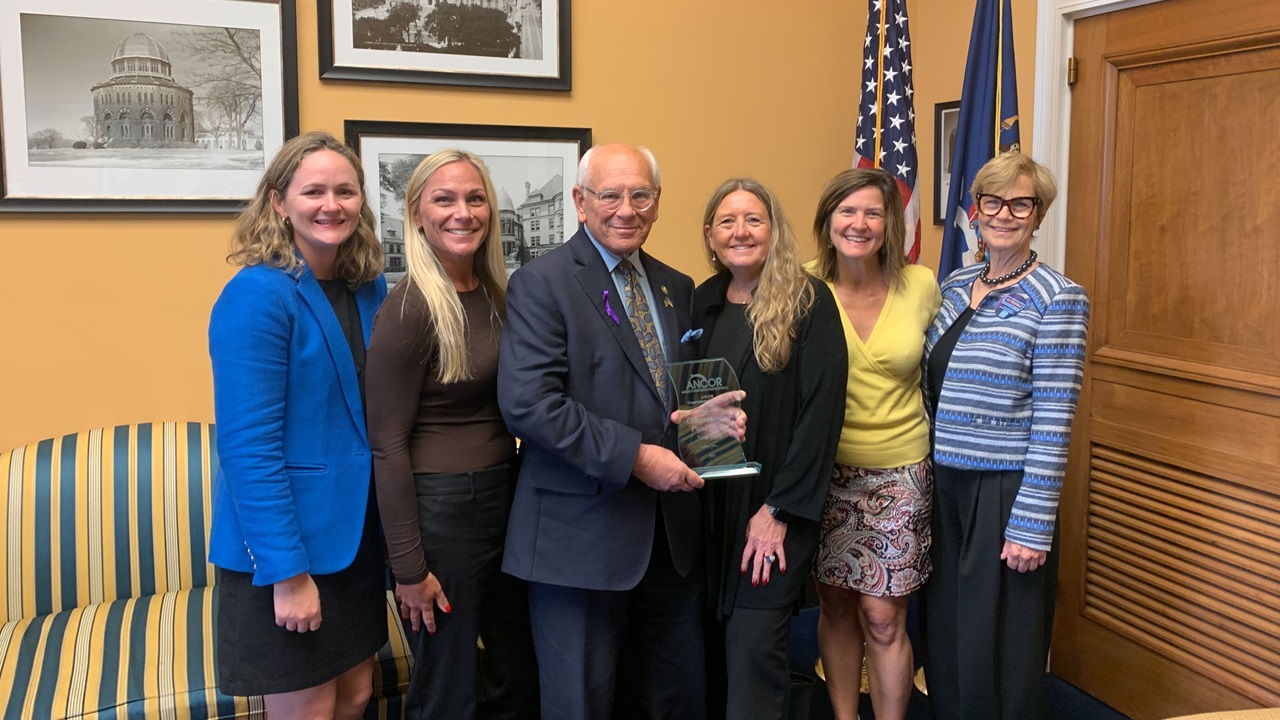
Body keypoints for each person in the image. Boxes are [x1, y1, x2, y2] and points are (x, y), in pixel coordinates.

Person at [497, 143, 708, 720]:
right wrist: (637, 457)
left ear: (658, 203)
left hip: (670, 539)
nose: (625, 209)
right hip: (578, 537)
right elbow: (530, 405)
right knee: (581, 704)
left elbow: (674, 393)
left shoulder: (676, 285)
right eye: (609, 195)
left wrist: (712, 422)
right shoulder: (542, 283)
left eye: (640, 195)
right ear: (580, 203)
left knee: (675, 700)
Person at [207, 131, 388, 720]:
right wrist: (286, 574)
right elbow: (247, 449)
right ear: (279, 202)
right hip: (287, 554)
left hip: (353, 544)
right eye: (313, 191)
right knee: (309, 709)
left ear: (361, 201)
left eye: (345, 190)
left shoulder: (368, 288)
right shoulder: (256, 295)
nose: (330, 204)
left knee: (357, 696)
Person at [366, 149, 538, 719]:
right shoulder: (409, 307)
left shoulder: (497, 294)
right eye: (444, 199)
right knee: (448, 688)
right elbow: (386, 445)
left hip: (506, 495)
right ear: (417, 214)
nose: (462, 212)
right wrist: (410, 569)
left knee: (517, 673)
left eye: (474, 197)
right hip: (443, 512)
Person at [920, 152, 1089, 720]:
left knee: (997, 644)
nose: (1004, 213)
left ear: (1037, 215)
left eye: (1021, 203)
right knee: (946, 628)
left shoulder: (1058, 296)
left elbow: (1055, 416)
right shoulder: (956, 284)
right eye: (993, 201)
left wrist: (1033, 524)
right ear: (976, 209)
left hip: (1005, 491)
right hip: (944, 486)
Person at [691, 178, 846, 720]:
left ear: (774, 229)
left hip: (772, 514)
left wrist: (777, 511)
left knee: (755, 658)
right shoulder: (701, 302)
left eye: (753, 219)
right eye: (727, 221)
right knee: (708, 660)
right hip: (707, 510)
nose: (740, 231)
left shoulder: (808, 301)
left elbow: (821, 417)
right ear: (710, 235)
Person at [809, 168, 941, 720]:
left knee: (884, 617)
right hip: (824, 473)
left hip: (900, 472)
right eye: (847, 211)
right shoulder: (803, 287)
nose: (859, 223)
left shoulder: (923, 285)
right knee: (836, 606)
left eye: (872, 212)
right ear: (828, 221)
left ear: (891, 223)